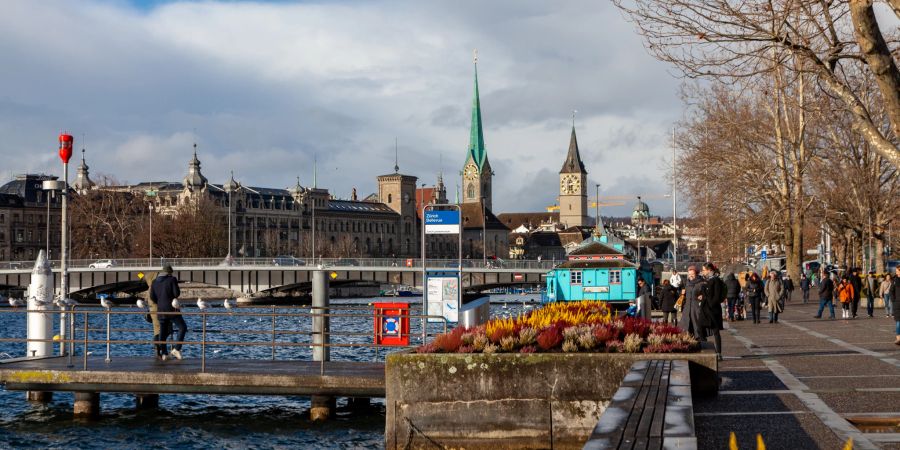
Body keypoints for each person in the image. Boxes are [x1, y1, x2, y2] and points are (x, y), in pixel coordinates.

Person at [150, 264, 185, 360]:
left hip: (160, 310)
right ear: (169, 272)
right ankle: (176, 349)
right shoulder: (172, 279)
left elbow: (152, 297)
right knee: (182, 327)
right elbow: (176, 294)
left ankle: (164, 353)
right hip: (172, 310)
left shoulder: (154, 282)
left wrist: (160, 302)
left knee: (163, 331)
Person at [699, 263, 725, 360]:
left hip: (713, 309)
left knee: (715, 330)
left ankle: (718, 353)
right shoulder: (706, 280)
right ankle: (705, 348)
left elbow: (716, 296)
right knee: (699, 327)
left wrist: (710, 304)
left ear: (709, 270)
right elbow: (706, 293)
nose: (703, 272)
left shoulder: (716, 280)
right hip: (705, 308)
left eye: (704, 270)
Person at [678, 265, 706, 339]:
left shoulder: (701, 283)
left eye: (692, 274)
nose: (690, 276)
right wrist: (682, 294)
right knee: (685, 325)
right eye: (689, 274)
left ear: (696, 274)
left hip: (696, 308)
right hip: (687, 308)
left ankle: (700, 340)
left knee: (697, 326)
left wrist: (703, 296)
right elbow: (685, 296)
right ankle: (688, 341)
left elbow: (707, 294)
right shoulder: (687, 283)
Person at [890, 267, 900, 345]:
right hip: (897, 303)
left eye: (898, 271)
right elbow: (891, 291)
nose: (896, 272)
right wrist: (894, 300)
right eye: (896, 271)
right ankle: (898, 338)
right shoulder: (894, 280)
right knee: (898, 321)